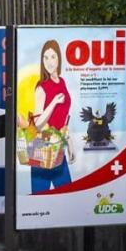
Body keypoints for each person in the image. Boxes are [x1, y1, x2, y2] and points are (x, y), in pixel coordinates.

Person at [26, 39, 75, 193]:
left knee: (67, 198)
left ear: (59, 58)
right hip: (42, 149)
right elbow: (38, 124)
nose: (49, 62)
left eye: (53, 57)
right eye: (45, 58)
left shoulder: (62, 82)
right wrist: (53, 102)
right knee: (40, 202)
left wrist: (70, 144)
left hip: (58, 148)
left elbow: (63, 118)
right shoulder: (41, 87)